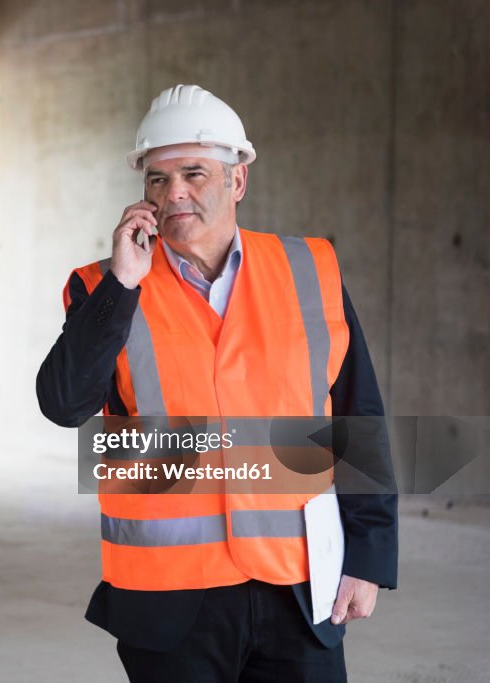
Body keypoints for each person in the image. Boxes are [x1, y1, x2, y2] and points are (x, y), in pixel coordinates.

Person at [36, 84, 398, 682]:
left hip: (300, 588)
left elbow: (359, 419)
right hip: (168, 602)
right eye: (157, 178)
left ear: (238, 181)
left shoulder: (310, 269)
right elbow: (64, 405)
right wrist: (123, 286)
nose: (173, 191)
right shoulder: (103, 285)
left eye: (194, 172)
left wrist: (368, 556)